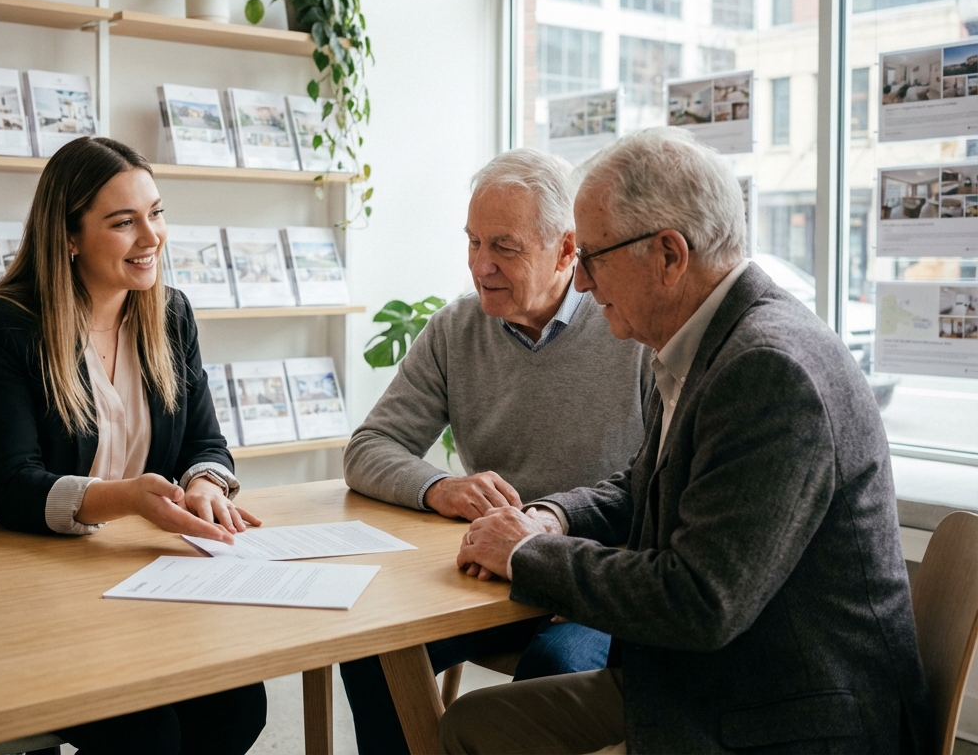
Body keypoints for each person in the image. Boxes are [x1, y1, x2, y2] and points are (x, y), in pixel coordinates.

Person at [443, 127, 931, 754]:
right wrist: (550, 518)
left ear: (669, 255)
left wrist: (523, 556)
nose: (582, 284)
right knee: (470, 726)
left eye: (592, 258)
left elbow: (700, 600)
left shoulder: (768, 370)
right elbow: (641, 487)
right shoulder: (691, 346)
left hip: (786, 718)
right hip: (711, 683)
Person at [0, 137, 267, 755]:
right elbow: (7, 483)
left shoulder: (169, 314)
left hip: (132, 581)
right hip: (19, 584)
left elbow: (206, 440)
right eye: (123, 222)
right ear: (67, 238)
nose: (152, 237)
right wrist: (128, 498)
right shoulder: (0, 325)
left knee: (238, 705)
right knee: (148, 735)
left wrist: (203, 482)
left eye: (157, 212)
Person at [341, 149, 653, 755]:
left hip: (590, 579)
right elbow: (370, 447)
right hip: (485, 578)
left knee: (553, 669)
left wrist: (549, 525)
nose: (481, 266)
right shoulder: (456, 329)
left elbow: (649, 480)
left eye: (504, 247)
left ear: (567, 250)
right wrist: (442, 487)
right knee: (369, 651)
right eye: (473, 242)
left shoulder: (628, 328)